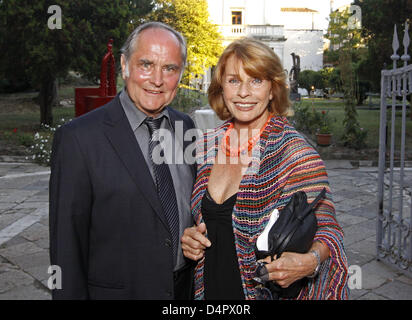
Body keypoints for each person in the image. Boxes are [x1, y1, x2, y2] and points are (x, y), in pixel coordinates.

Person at [181, 38, 349, 300]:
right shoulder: (206, 147)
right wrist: (191, 239)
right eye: (233, 80)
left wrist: (311, 262)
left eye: (256, 80)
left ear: (272, 89)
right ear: (221, 87)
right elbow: (207, 223)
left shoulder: (294, 152)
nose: (243, 92)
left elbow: (329, 229)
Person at [49, 22, 197, 299]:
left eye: (169, 68)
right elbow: (66, 247)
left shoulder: (185, 126)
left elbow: (183, 207)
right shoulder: (78, 139)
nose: (157, 79)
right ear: (124, 65)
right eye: (146, 64)